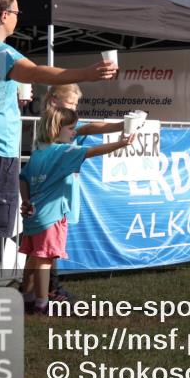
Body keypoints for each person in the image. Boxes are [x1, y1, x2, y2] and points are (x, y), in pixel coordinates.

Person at [0, 0, 119, 288]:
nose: (18, 17)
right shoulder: (0, 52)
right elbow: (37, 73)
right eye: (16, 12)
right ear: (4, 15)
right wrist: (86, 73)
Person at [19, 105, 135, 314]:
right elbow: (93, 151)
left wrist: (25, 200)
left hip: (33, 216)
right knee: (45, 260)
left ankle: (25, 295)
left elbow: (23, 178)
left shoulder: (38, 152)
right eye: (71, 128)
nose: (75, 132)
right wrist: (121, 143)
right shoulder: (64, 151)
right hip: (52, 216)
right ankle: (41, 304)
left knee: (35, 256)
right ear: (57, 129)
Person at [36, 83, 127, 303]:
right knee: (47, 248)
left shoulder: (59, 127)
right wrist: (119, 138)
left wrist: (119, 126)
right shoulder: (57, 132)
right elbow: (90, 137)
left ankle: (38, 290)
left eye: (76, 104)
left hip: (55, 195)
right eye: (71, 103)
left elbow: (89, 127)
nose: (75, 109)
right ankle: (47, 292)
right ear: (54, 101)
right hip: (53, 198)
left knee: (45, 248)